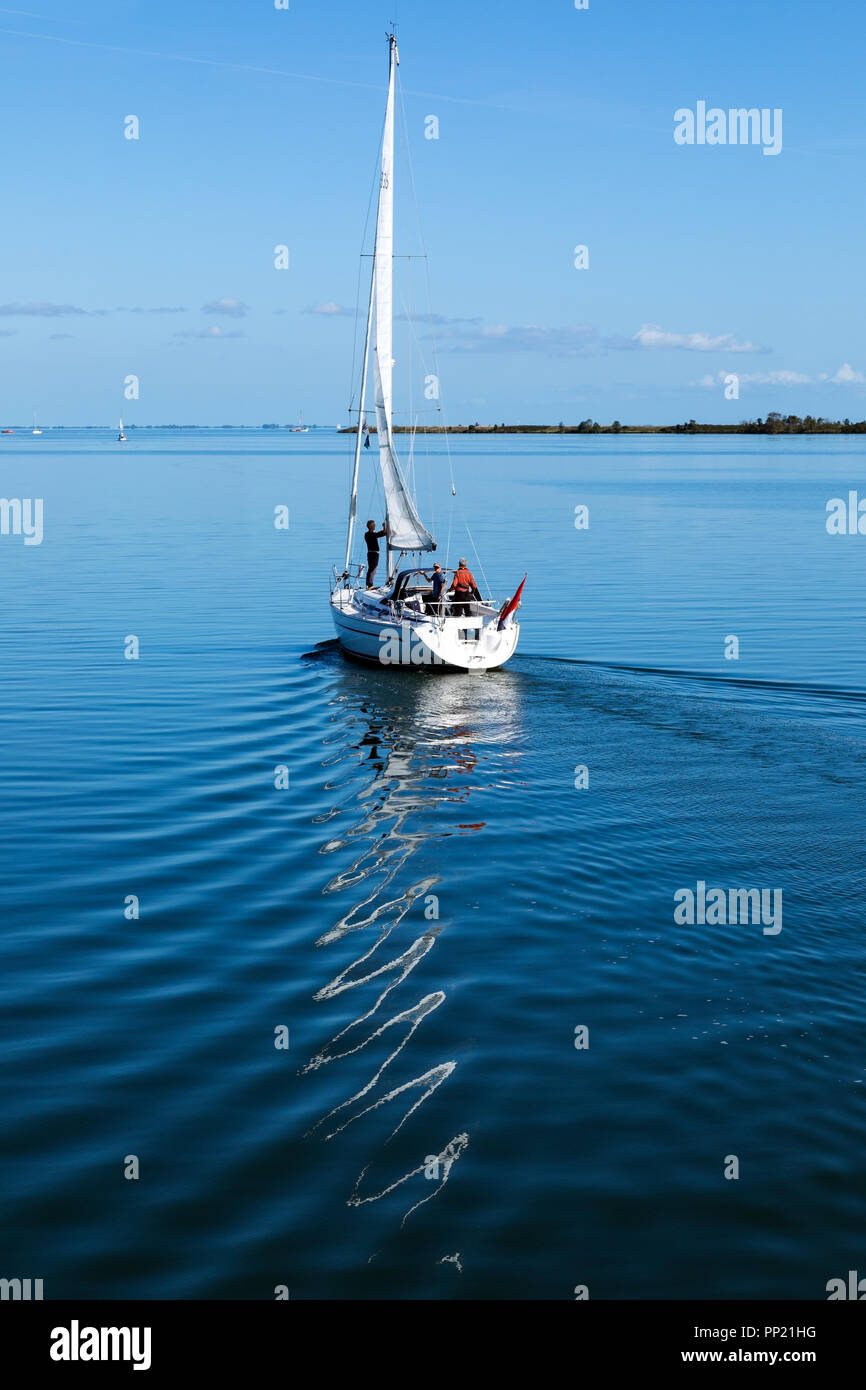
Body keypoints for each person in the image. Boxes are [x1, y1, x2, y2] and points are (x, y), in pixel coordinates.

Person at [364, 519, 387, 588]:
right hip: (373, 554)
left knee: (371, 569)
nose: (374, 526)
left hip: (371, 554)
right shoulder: (369, 534)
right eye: (373, 525)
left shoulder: (369, 534)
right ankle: (370, 585)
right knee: (373, 569)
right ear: (370, 526)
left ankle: (369, 584)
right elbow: (382, 533)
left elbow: (380, 533)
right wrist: (384, 527)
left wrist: (384, 529)